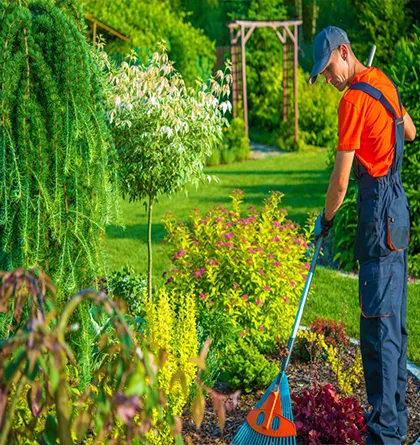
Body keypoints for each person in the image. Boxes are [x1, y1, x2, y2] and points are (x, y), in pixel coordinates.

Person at [310, 26, 416, 444]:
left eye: (329, 68)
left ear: (344, 51)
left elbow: (339, 181)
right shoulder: (382, 82)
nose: (329, 79)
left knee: (377, 328)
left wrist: (327, 220)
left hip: (376, 215)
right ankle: (399, 423)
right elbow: (409, 132)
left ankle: (384, 433)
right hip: (399, 210)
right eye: (322, 75)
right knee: (395, 324)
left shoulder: (353, 100)